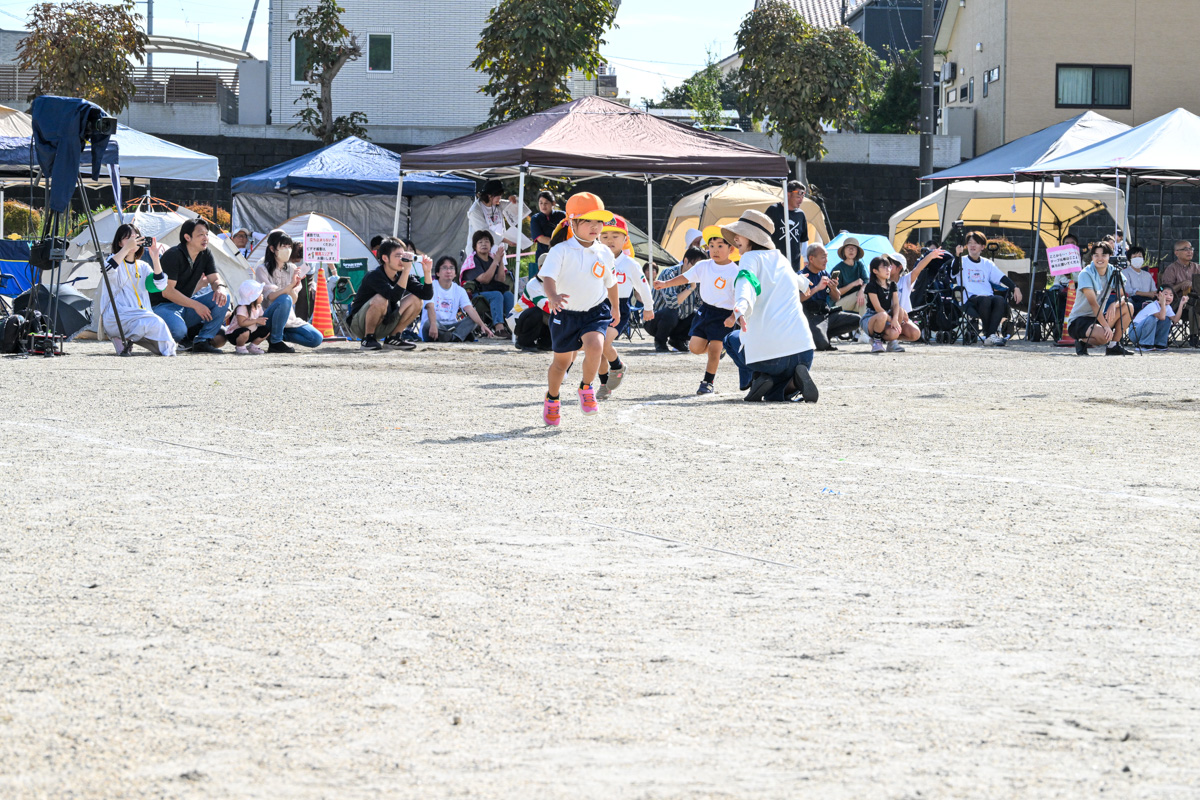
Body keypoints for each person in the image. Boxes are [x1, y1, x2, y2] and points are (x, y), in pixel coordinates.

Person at [538, 192, 620, 426]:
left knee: (596, 346)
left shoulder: (604, 252)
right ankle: (552, 398)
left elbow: (611, 282)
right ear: (572, 222)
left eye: (599, 221)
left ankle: (586, 388)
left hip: (595, 312)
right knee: (561, 364)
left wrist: (615, 307)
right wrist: (553, 296)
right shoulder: (560, 250)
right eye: (588, 221)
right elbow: (548, 277)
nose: (595, 227)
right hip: (564, 314)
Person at [721, 210, 818, 402]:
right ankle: (792, 384)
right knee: (773, 395)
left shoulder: (749, 258)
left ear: (751, 237)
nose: (735, 238)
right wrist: (804, 283)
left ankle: (756, 379)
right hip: (804, 351)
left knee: (730, 339)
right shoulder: (781, 259)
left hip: (769, 357)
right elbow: (796, 279)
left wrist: (740, 307)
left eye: (739, 234)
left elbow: (747, 281)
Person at [653, 227, 741, 394]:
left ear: (731, 249)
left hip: (724, 316)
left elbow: (739, 297)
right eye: (711, 246)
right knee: (695, 348)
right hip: (705, 312)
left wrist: (733, 316)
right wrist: (665, 284)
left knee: (714, 351)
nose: (715, 250)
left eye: (720, 246)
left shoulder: (735, 271)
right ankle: (722, 346)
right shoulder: (703, 266)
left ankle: (708, 382)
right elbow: (686, 277)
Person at [150, 218, 229, 353]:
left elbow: (214, 279)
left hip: (185, 305)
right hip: (162, 307)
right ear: (187, 237)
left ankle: (202, 341)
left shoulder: (205, 253)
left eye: (207, 234)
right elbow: (168, 292)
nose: (205, 238)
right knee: (178, 332)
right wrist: (196, 305)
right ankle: (183, 336)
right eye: (200, 234)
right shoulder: (173, 255)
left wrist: (220, 287)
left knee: (224, 296)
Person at [595, 215, 653, 399]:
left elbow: (643, 286)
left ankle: (617, 366)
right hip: (596, 307)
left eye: (615, 236)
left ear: (625, 239)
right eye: (604, 236)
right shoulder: (594, 259)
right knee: (598, 349)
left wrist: (648, 307)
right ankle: (604, 385)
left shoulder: (630, 264)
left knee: (603, 343)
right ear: (598, 238)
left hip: (619, 309)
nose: (609, 240)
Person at [98, 224, 176, 356]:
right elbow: (107, 270)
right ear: (119, 243)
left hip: (139, 316)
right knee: (155, 322)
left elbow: (159, 285)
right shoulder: (113, 260)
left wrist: (155, 259)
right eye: (128, 238)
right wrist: (127, 248)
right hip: (118, 315)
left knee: (162, 345)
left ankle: (124, 339)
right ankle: (123, 337)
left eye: (136, 238)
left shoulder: (143, 266)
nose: (133, 241)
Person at [347, 238, 432, 351]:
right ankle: (368, 338)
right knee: (381, 298)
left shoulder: (402, 275)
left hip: (385, 323)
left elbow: (426, 295)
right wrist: (406, 271)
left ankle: (394, 338)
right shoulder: (374, 275)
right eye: (398, 256)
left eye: (403, 255)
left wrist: (427, 272)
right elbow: (393, 296)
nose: (402, 260)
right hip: (360, 325)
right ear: (385, 258)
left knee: (417, 300)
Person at [252, 230, 325, 353]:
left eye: (289, 246)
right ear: (272, 248)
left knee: (316, 338)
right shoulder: (262, 269)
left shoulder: (292, 268)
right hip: (268, 317)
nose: (287, 250)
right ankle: (275, 341)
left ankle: (276, 334)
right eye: (283, 246)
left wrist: (294, 285)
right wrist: (290, 285)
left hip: (289, 319)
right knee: (284, 299)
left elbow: (294, 300)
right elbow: (271, 297)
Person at [1066, 241, 1132, 356]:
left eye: (1104, 255)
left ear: (1109, 256)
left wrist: (1114, 305)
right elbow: (1093, 304)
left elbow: (1123, 296)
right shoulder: (1085, 274)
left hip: (1097, 317)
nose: (1100, 258)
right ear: (1092, 257)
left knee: (1128, 307)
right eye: (1096, 255)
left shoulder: (1113, 271)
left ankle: (1113, 346)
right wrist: (1106, 326)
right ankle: (1081, 341)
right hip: (1079, 320)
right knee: (1105, 337)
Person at [956, 231, 1021, 346]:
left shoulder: (987, 263)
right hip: (969, 298)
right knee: (985, 300)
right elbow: (952, 272)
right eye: (970, 242)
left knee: (999, 300)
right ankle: (990, 335)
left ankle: (990, 336)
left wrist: (1015, 287)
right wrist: (957, 255)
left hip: (987, 297)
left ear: (982, 247)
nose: (972, 245)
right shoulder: (961, 261)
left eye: (976, 243)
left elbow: (1001, 277)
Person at [799, 243, 859, 351]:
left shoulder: (824, 274)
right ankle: (821, 336)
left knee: (857, 320)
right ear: (811, 259)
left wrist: (833, 288)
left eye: (826, 257)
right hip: (811, 317)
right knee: (822, 345)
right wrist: (817, 288)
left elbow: (836, 298)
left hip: (826, 315)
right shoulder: (802, 275)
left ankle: (826, 334)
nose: (826, 260)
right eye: (823, 257)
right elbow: (797, 298)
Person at [422, 256, 494, 342]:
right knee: (428, 324)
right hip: (435, 325)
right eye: (444, 268)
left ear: (455, 274)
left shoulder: (460, 290)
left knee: (473, 319)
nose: (448, 271)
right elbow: (430, 307)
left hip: (452, 326)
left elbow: (470, 309)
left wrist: (482, 325)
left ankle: (452, 337)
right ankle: (457, 336)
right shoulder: (430, 286)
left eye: (451, 268)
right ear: (437, 273)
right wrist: (433, 325)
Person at [646, 247, 703, 353]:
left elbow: (701, 303)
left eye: (700, 268)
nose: (697, 270)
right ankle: (660, 342)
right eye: (695, 266)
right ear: (685, 261)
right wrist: (690, 288)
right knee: (671, 311)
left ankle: (678, 340)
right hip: (654, 320)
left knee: (699, 315)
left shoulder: (699, 277)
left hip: (678, 320)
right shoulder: (669, 273)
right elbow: (672, 304)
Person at [862, 256, 921, 353]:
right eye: (884, 267)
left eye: (888, 266)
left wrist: (895, 319)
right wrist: (891, 319)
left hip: (886, 316)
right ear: (875, 271)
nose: (888, 269)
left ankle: (893, 342)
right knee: (882, 315)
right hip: (872, 317)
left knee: (899, 312)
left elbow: (896, 304)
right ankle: (876, 341)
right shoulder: (871, 285)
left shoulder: (892, 285)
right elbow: (877, 308)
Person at [461, 229, 514, 336]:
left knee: (508, 295)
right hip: (476, 294)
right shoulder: (472, 260)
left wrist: (500, 260)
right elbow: (484, 279)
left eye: (486, 241)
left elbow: (500, 279)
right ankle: (499, 328)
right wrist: (495, 261)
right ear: (475, 246)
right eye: (480, 242)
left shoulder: (491, 258)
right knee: (497, 295)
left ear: (491, 245)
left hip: (491, 291)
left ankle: (513, 327)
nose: (484, 244)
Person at [464, 179, 526, 255]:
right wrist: (506, 240)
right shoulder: (475, 210)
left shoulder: (498, 204)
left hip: (498, 251)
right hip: (480, 253)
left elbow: (521, 210)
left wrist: (515, 199)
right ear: (489, 195)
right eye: (498, 195)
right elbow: (484, 231)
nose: (500, 198)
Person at [1159, 239, 1200, 346]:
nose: (1189, 251)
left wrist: (1193, 284)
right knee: (1194, 306)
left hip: (1196, 298)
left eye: (1191, 249)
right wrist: (1182, 284)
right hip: (1177, 303)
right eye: (1185, 249)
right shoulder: (1171, 269)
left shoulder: (1197, 267)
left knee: (1196, 303)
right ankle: (1194, 336)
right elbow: (1165, 290)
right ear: (1176, 253)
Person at [765, 179, 808, 272]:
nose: (801, 200)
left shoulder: (801, 215)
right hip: (775, 264)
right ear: (788, 195)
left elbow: (803, 240)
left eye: (802, 197)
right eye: (798, 197)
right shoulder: (773, 210)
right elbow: (764, 235)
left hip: (794, 265)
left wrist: (806, 259)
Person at [1128, 287, 1185, 353]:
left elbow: (1175, 320)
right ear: (1158, 296)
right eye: (1165, 294)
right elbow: (1161, 317)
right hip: (1135, 333)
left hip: (1148, 332)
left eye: (1171, 295)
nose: (1168, 297)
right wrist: (1163, 303)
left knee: (1167, 319)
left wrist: (1181, 304)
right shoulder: (1152, 305)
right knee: (1152, 318)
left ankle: (1159, 344)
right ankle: (1144, 344)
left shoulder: (1167, 307)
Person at [223, 280, 271, 355]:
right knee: (245, 332)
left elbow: (260, 317)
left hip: (250, 332)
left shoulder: (258, 307)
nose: (262, 296)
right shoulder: (242, 308)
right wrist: (256, 320)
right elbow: (241, 323)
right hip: (235, 334)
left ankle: (253, 346)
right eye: (260, 294)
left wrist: (262, 321)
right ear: (253, 297)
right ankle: (240, 346)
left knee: (266, 330)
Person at [830, 238, 868, 314]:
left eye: (854, 248)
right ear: (844, 251)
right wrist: (854, 284)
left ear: (857, 251)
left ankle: (864, 321)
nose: (851, 250)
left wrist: (862, 290)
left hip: (856, 300)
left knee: (865, 299)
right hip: (839, 303)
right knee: (861, 296)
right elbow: (836, 292)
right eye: (848, 247)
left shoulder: (859, 265)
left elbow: (866, 281)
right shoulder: (837, 269)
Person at [529, 191, 566, 268]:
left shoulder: (562, 216)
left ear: (553, 203)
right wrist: (559, 244)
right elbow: (540, 238)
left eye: (546, 203)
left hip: (562, 254)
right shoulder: (535, 218)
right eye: (541, 203)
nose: (543, 206)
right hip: (543, 257)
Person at [1121, 246, 1157, 315]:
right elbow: (1128, 291)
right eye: (1134, 257)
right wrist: (1147, 294)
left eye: (1140, 256)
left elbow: (1154, 290)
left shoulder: (1147, 275)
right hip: (1133, 301)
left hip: (1148, 301)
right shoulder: (1124, 273)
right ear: (1130, 259)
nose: (1137, 259)